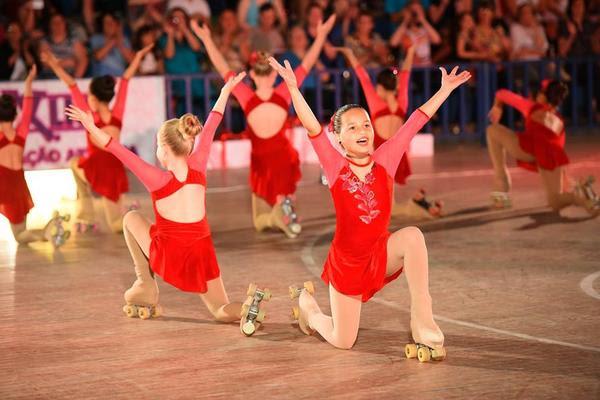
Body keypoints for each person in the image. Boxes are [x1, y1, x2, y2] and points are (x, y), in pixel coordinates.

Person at [270, 56, 470, 355]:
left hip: (379, 254)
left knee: (413, 235)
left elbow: (415, 121)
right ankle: (310, 311)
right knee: (343, 340)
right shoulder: (335, 165)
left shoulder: (386, 159)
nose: (362, 130)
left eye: (365, 124)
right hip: (347, 265)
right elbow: (312, 126)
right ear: (337, 138)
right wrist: (293, 89)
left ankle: (423, 322)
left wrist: (445, 90)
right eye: (351, 128)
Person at [65, 72, 265, 333]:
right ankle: (248, 306)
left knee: (131, 218)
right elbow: (213, 123)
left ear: (165, 150)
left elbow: (116, 148)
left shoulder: (156, 179)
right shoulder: (200, 164)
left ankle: (145, 284)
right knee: (219, 309)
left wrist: (91, 127)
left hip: (171, 254)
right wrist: (225, 92)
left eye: (158, 145)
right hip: (202, 253)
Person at [191, 16, 336, 239]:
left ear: (251, 74)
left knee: (260, 223)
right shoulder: (283, 91)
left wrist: (207, 39)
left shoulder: (246, 95)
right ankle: (284, 212)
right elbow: (306, 63)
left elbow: (222, 66)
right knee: (279, 204)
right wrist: (322, 35)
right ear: (273, 73)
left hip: (262, 162)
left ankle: (279, 215)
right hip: (283, 158)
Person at [41, 45, 154, 233]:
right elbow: (125, 79)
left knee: (117, 224)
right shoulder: (117, 112)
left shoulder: (89, 114)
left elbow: (71, 84)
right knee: (77, 165)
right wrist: (138, 56)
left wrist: (54, 65)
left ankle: (149, 226)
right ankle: (87, 215)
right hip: (115, 169)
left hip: (97, 169)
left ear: (92, 97)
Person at [337, 46, 442, 219]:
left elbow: (362, 77)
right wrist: (409, 54)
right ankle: (421, 203)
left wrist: (350, 54)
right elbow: (406, 74)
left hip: (380, 156)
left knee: (388, 207)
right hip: (398, 155)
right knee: (383, 201)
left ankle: (421, 207)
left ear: (381, 86)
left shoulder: (376, 102)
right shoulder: (402, 101)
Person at [487, 80, 599, 214]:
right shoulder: (559, 121)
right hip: (549, 155)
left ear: (542, 96)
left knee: (492, 131)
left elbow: (501, 93)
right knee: (555, 202)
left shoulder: (531, 106)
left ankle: (502, 184)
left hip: (529, 149)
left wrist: (497, 107)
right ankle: (584, 197)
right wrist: (564, 180)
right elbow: (557, 150)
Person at [0, 66, 70, 247]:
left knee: (20, 236)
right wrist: (28, 82)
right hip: (18, 184)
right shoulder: (20, 133)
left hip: (4, 184)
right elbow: (29, 107)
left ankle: (47, 231)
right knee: (20, 234)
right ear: (14, 115)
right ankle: (48, 229)